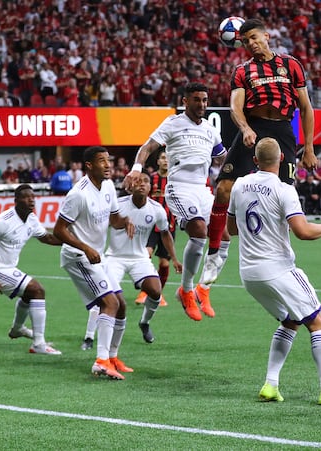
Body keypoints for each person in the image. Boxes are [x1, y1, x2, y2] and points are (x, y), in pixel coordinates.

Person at [200, 18, 318, 309]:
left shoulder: (290, 64)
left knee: (283, 198)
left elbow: (305, 107)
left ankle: (282, 261)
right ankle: (216, 252)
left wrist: (310, 148)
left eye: (253, 37)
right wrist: (245, 129)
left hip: (282, 132)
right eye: (244, 41)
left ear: (266, 36)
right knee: (223, 189)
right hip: (252, 127)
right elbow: (235, 107)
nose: (250, 44)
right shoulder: (242, 71)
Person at [227, 137, 321, 406]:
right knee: (317, 322)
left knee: (290, 320)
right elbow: (304, 232)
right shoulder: (284, 189)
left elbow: (231, 229)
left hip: (249, 274)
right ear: (282, 159)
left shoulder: (238, 185)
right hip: (278, 268)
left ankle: (271, 385)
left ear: (255, 160)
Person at [123, 83, 225, 321]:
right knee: (199, 231)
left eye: (204, 100)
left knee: (226, 233)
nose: (201, 104)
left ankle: (204, 288)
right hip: (179, 187)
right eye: (196, 99)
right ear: (185, 100)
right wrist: (136, 169)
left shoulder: (210, 129)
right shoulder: (173, 123)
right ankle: (186, 290)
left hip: (202, 189)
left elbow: (222, 157)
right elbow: (147, 147)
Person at [53, 146, 135, 380]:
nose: (108, 165)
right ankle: (100, 361)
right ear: (89, 166)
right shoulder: (78, 194)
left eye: (108, 160)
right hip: (78, 256)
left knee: (121, 304)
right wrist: (85, 247)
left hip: (97, 255)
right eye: (102, 161)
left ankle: (113, 357)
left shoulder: (108, 186)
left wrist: (125, 221)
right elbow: (59, 230)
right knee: (109, 302)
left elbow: (114, 219)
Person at [81, 171, 182, 348]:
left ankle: (144, 323)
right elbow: (99, 222)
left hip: (140, 258)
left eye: (146, 181)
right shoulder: (117, 205)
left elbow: (165, 234)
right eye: (138, 181)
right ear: (131, 186)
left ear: (151, 187)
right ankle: (89, 337)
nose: (142, 184)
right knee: (105, 295)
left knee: (155, 291)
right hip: (114, 258)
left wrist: (174, 258)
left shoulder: (157, 210)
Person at [0, 184, 62, 355]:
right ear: (16, 201)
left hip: (6, 268)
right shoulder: (2, 222)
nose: (31, 200)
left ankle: (17, 330)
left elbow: (47, 238)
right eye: (26, 197)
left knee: (29, 294)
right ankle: (39, 344)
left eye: (33, 197)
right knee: (37, 290)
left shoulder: (32, 219)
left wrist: (73, 241)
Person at [135, 149, 174, 307]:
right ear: (158, 161)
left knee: (164, 264)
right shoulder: (150, 179)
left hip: (168, 227)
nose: (165, 161)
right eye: (163, 158)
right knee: (146, 256)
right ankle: (145, 291)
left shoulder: (175, 180)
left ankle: (158, 293)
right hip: (151, 226)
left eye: (168, 158)